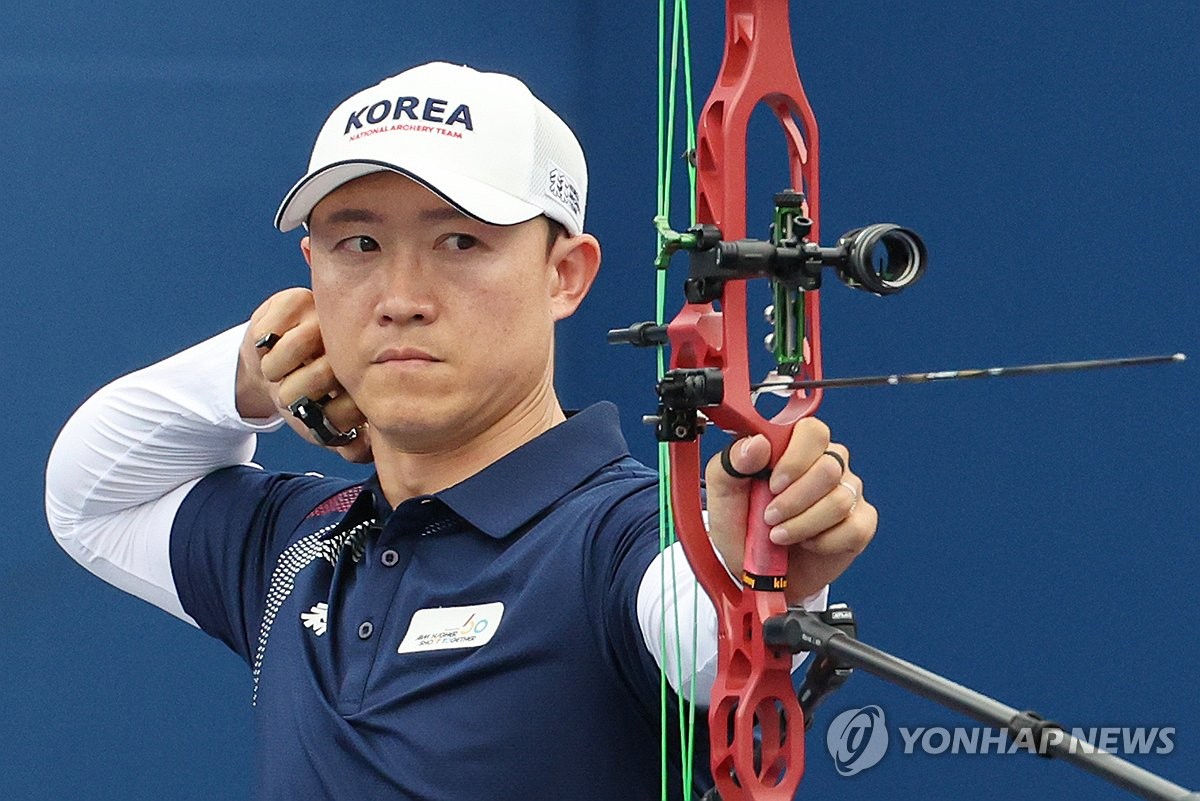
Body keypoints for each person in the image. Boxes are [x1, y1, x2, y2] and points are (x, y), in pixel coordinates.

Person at [45, 62, 877, 800]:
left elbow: (699, 636)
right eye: (358, 243)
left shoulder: (618, 538)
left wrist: (756, 568)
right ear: (311, 272)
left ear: (564, 274)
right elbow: (86, 495)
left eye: (460, 241)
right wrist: (256, 367)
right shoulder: (298, 547)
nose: (400, 293)